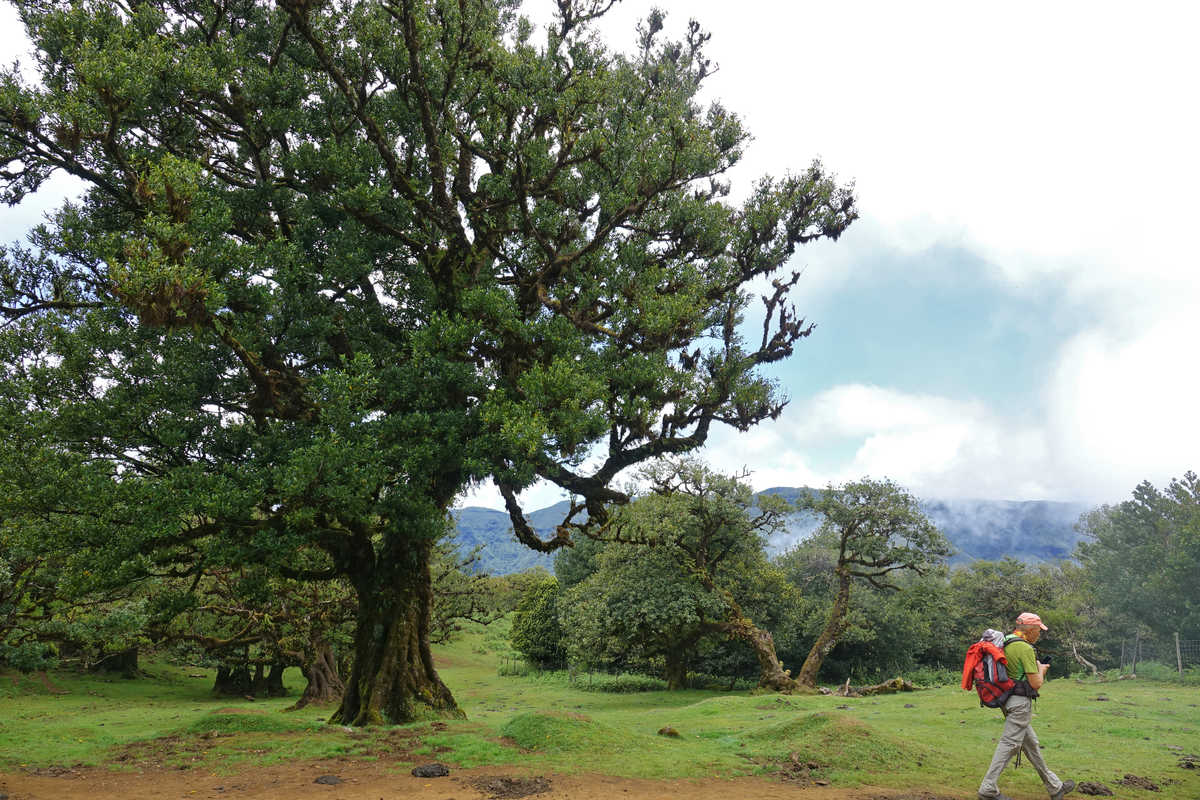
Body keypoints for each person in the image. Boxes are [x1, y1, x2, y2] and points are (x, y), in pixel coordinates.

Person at [977, 612, 1076, 800]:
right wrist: (1042, 669)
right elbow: (1036, 683)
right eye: (1039, 630)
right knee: (1010, 744)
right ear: (1030, 629)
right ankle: (988, 789)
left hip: (1006, 700)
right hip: (1020, 703)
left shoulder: (1006, 641)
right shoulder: (1025, 648)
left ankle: (1055, 787)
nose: (1039, 633)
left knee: (1031, 744)